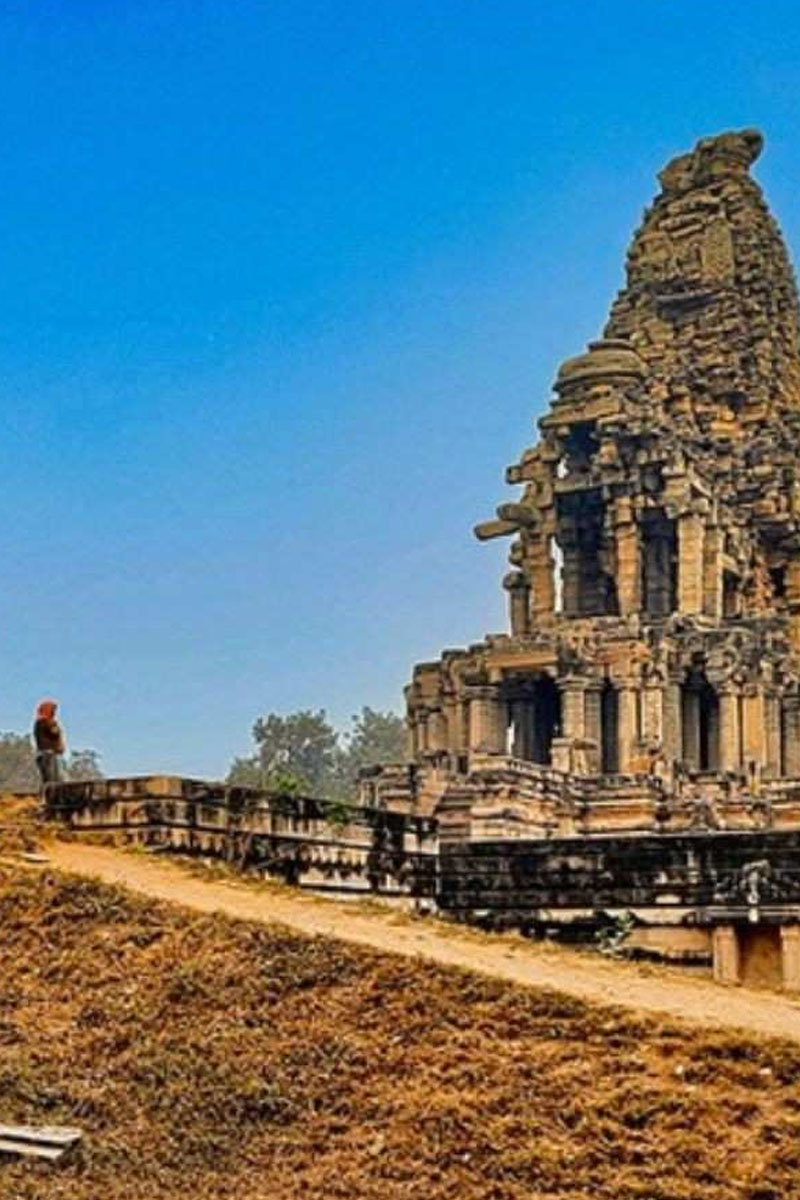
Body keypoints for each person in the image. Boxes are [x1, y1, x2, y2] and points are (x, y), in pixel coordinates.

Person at [33, 699, 66, 791]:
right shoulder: (43, 722)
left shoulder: (42, 722)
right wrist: (55, 724)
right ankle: (50, 796)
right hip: (48, 754)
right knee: (53, 779)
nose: (54, 713)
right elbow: (54, 732)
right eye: (52, 710)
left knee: (55, 780)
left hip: (49, 754)